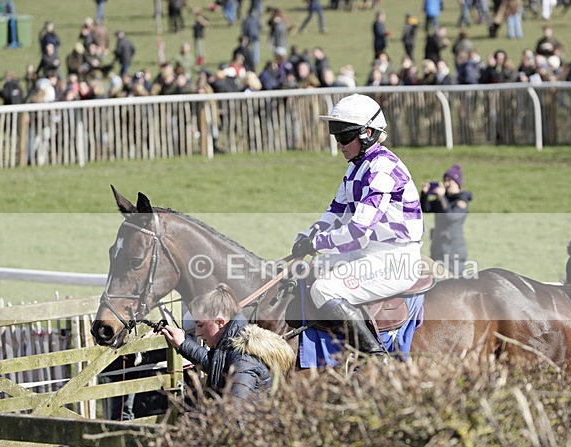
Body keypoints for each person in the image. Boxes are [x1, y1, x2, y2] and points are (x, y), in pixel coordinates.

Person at [291, 94, 424, 356]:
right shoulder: (357, 167)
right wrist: (308, 235)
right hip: (369, 254)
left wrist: (316, 243)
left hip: (394, 260)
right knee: (307, 274)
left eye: (345, 137)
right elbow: (336, 211)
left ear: (368, 134)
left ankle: (375, 356)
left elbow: (358, 231)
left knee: (323, 289)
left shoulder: (382, 169)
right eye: (336, 136)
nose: (339, 144)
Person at [160, 284, 294, 401]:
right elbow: (216, 363)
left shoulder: (244, 360)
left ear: (220, 322)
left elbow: (234, 413)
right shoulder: (231, 345)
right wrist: (183, 343)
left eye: (200, 325)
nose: (197, 333)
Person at [420, 164, 472, 276]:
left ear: (457, 183)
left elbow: (451, 216)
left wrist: (442, 197)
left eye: (450, 180)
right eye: (445, 180)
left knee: (454, 283)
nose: (447, 184)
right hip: (438, 249)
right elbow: (426, 208)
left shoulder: (461, 202)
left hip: (453, 253)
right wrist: (424, 194)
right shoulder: (444, 200)